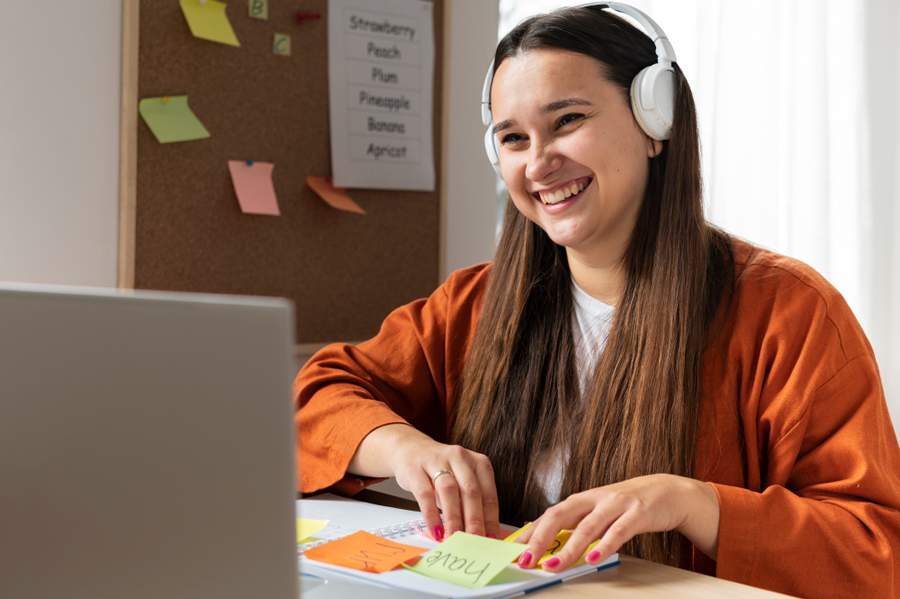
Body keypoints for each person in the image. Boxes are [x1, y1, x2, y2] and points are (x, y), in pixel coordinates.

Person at [295, 4, 900, 597]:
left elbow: (875, 551)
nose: (538, 162)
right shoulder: (473, 303)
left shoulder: (790, 313)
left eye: (567, 121)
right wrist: (402, 448)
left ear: (654, 124)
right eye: (512, 137)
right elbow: (316, 399)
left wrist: (691, 503)